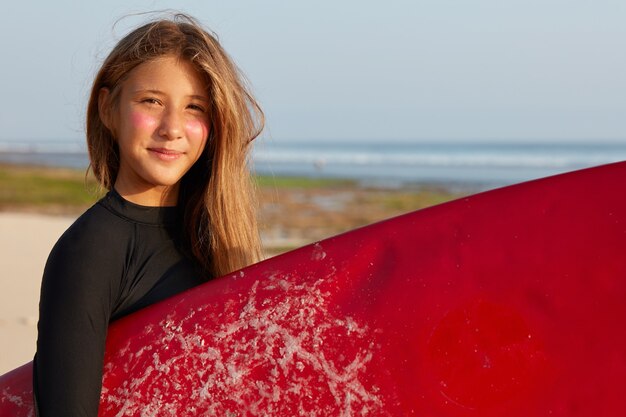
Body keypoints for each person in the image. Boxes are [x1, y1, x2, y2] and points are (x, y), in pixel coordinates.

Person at [33, 14, 264, 416]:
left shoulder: (215, 242)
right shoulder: (90, 251)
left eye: (195, 108)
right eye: (152, 101)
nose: (172, 128)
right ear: (108, 109)